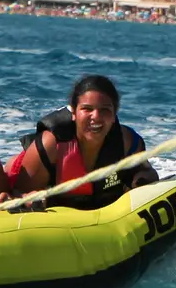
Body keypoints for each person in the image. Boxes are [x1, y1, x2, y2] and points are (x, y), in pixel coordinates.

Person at [9, 75, 158, 207]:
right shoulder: (51, 146)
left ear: (114, 116)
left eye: (105, 110)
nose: (96, 117)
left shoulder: (128, 143)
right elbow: (18, 192)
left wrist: (143, 180)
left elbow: (147, 171)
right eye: (87, 109)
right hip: (22, 172)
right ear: (74, 113)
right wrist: (28, 198)